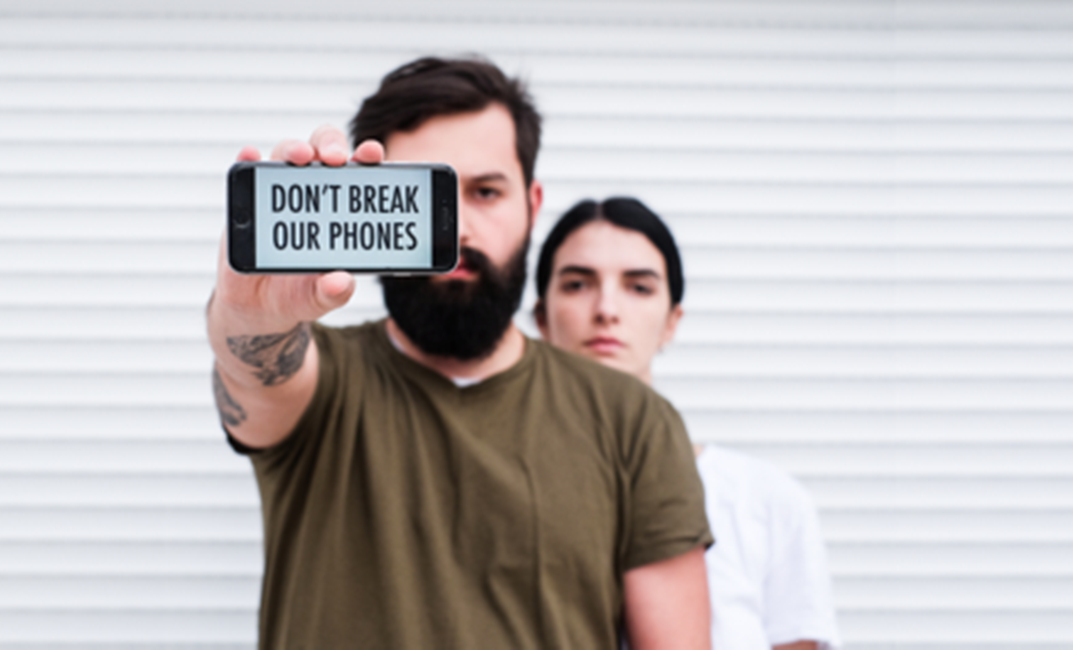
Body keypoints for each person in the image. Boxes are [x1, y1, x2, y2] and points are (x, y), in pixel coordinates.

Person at [207, 57, 714, 649]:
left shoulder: (634, 421)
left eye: (485, 192)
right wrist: (250, 315)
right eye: (423, 198)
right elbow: (255, 369)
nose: (460, 231)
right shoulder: (322, 385)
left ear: (531, 201)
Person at [534, 197, 843, 650]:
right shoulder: (499, 483)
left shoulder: (766, 500)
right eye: (578, 284)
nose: (606, 309)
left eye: (639, 287)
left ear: (672, 322)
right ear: (540, 318)